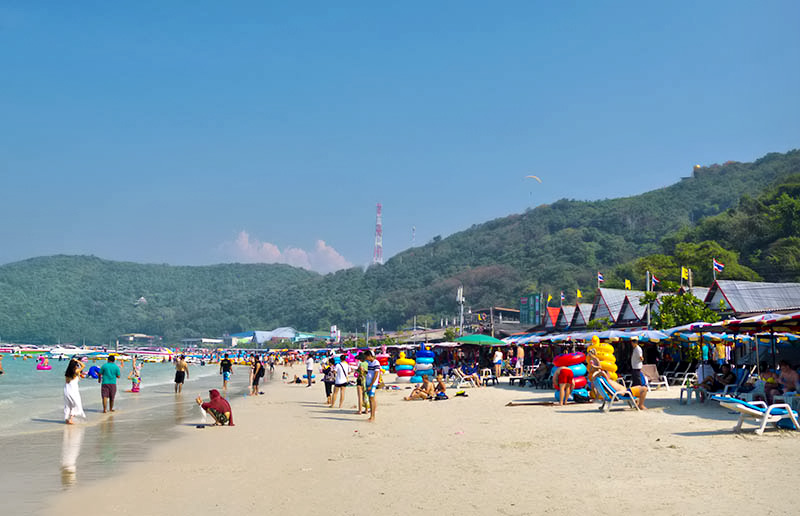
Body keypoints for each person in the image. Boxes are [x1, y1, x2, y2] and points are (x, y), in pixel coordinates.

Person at [63, 358, 86, 424]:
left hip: (66, 390)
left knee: (68, 405)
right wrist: (77, 360)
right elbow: (83, 366)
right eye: (76, 365)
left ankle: (67, 418)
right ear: (75, 365)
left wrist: (75, 361)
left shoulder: (67, 373)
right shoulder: (76, 371)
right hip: (73, 391)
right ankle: (70, 419)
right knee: (76, 404)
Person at [364, 350, 381, 422]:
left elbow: (376, 374)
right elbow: (369, 372)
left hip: (373, 383)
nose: (366, 358)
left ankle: (373, 416)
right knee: (370, 399)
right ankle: (371, 415)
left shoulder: (376, 362)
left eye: (366, 357)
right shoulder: (368, 363)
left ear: (370, 356)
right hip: (368, 381)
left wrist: (371, 385)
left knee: (372, 398)